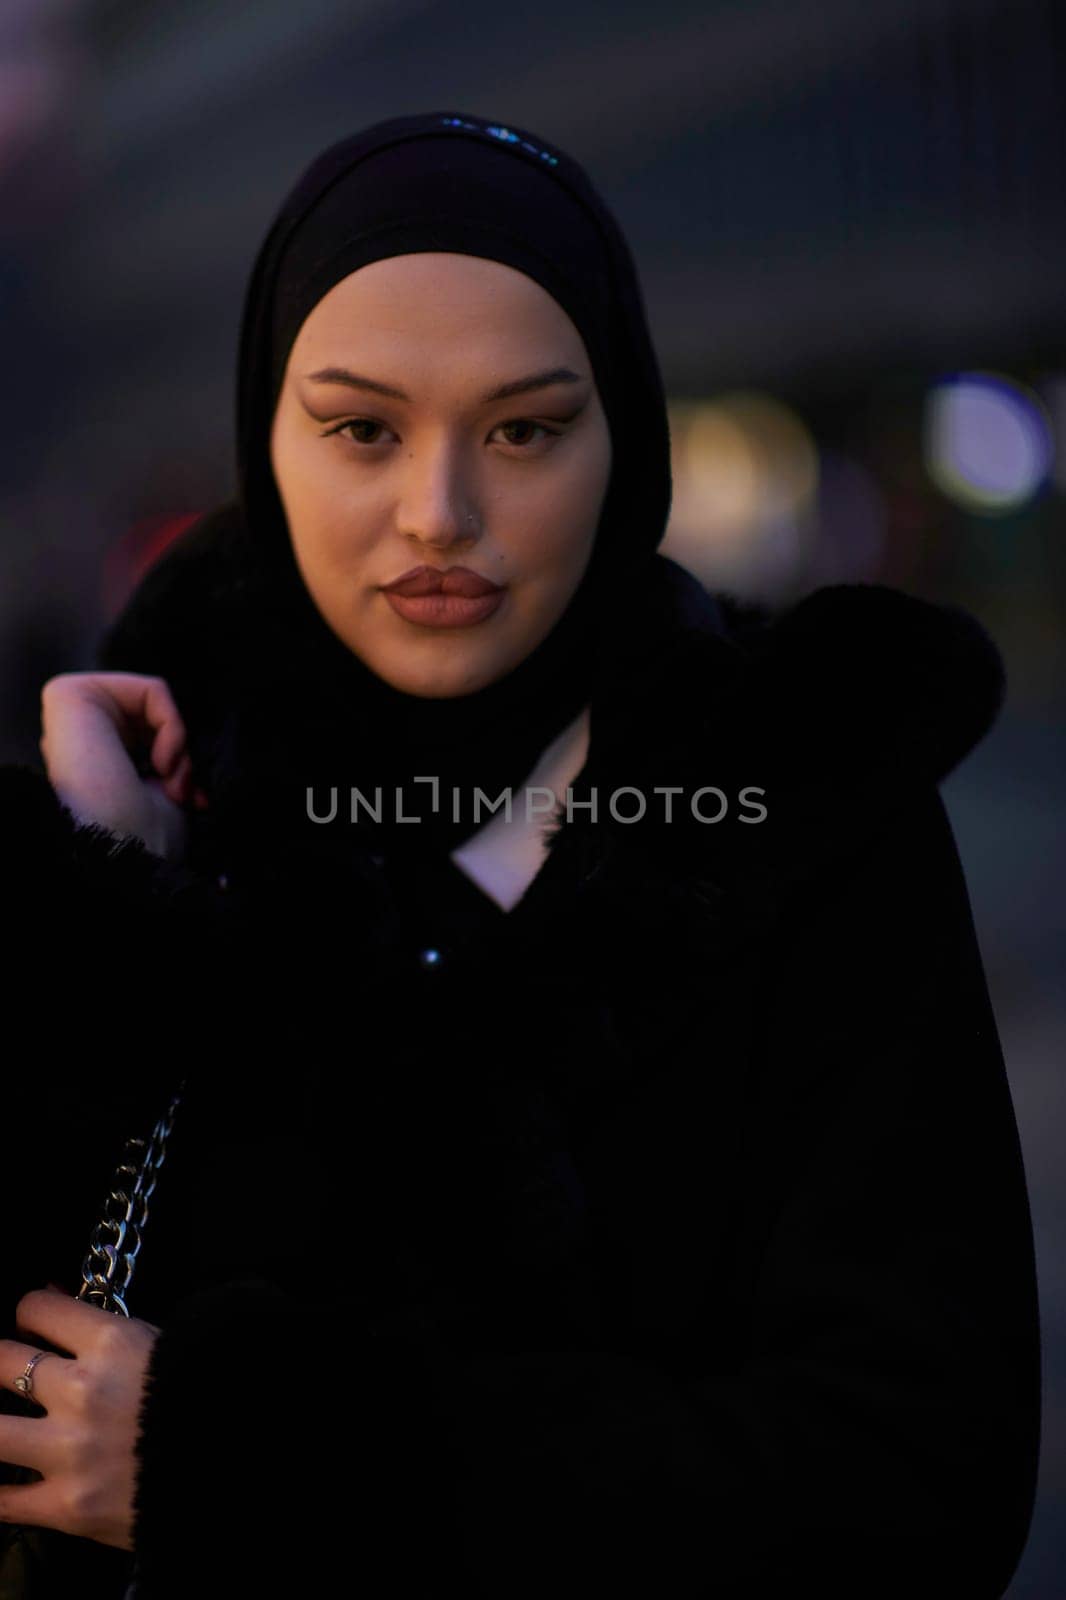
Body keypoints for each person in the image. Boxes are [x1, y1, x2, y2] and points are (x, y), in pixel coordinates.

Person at [0, 109, 1041, 1599]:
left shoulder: (810, 814)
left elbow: (917, 1478)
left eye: (525, 429)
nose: (440, 514)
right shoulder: (147, 829)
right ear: (264, 439)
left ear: (623, 442)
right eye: (361, 427)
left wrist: (268, 1461)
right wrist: (99, 897)